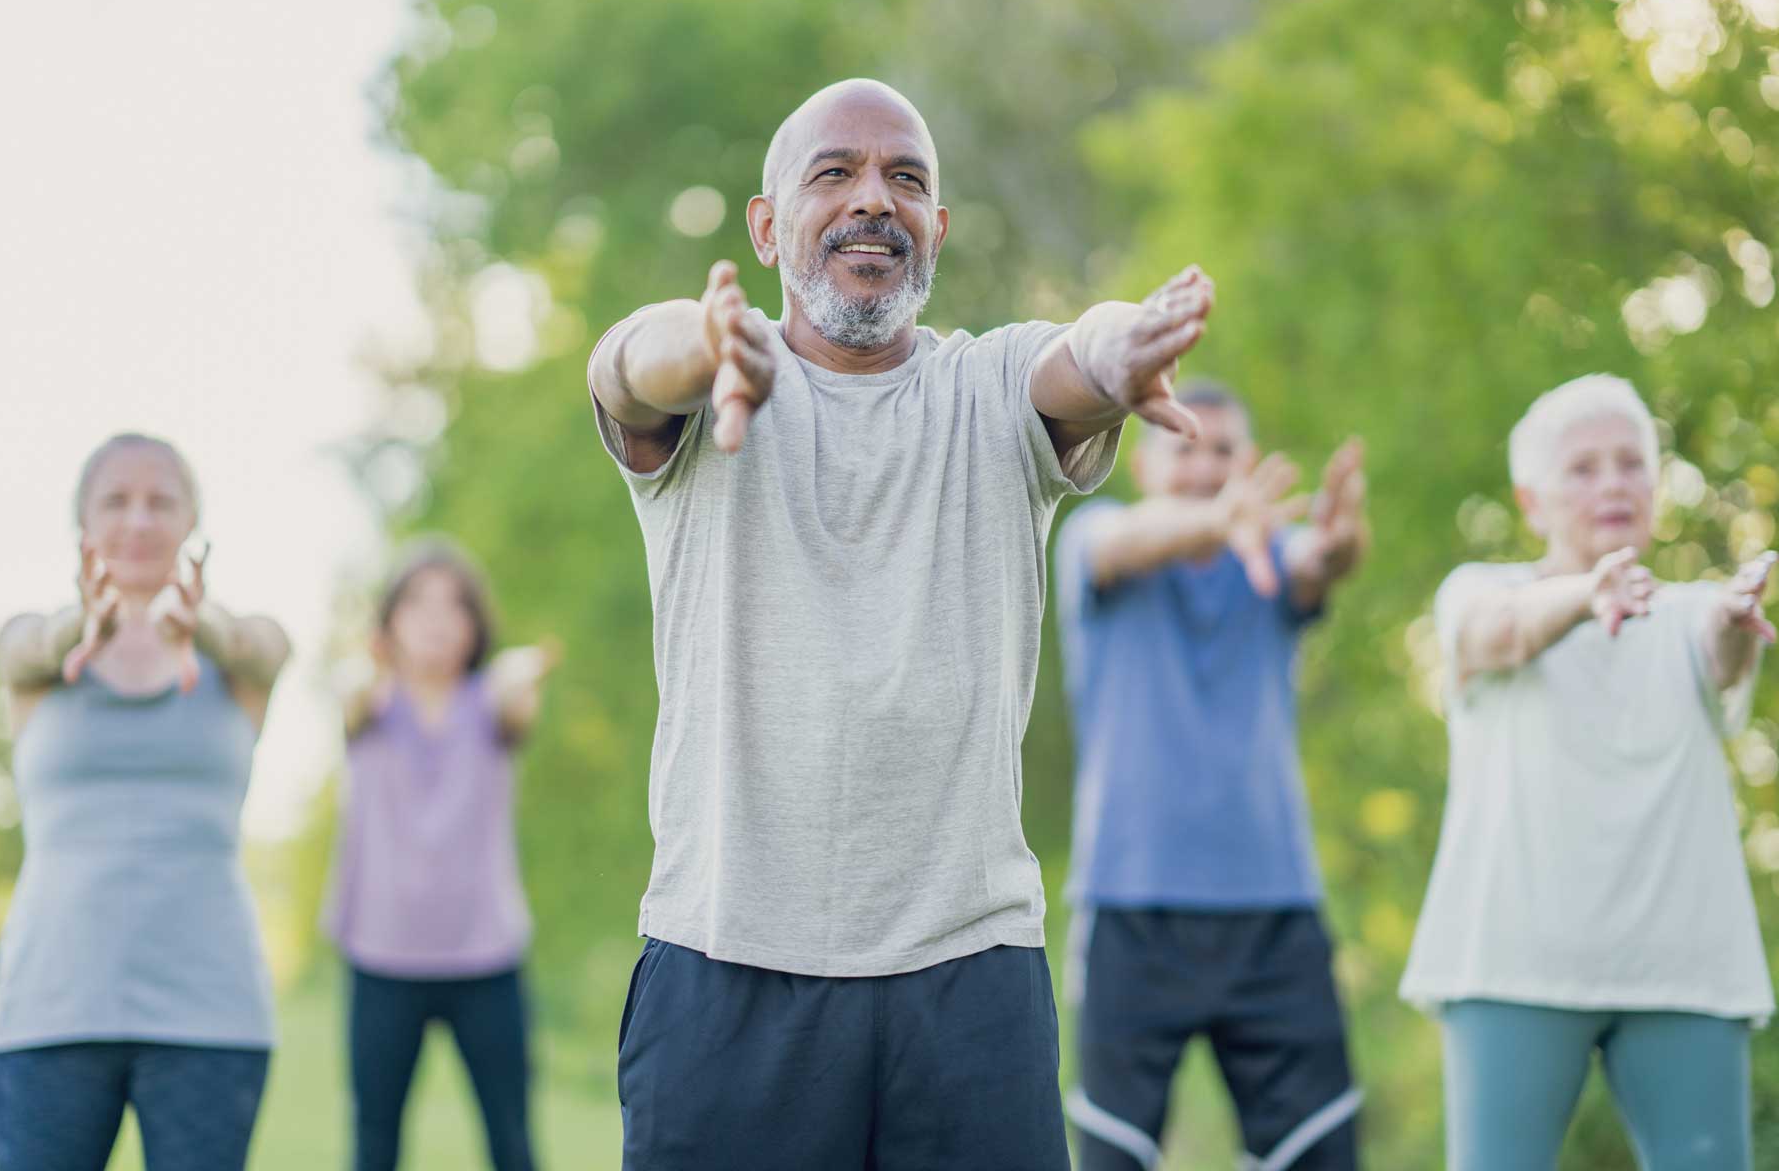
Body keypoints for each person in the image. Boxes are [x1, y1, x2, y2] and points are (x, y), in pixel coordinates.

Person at [589, 77, 1215, 1169]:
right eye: (835, 173)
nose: (874, 199)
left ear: (938, 228)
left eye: (907, 180)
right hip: (726, 970)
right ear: (769, 225)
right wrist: (705, 346)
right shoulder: (703, 388)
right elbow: (629, 369)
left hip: (967, 980)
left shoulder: (987, 385)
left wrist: (1123, 349)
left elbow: (1080, 351)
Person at [1400, 374, 1774, 1170]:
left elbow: (1723, 653)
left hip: (1685, 971)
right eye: (1583, 468)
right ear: (1531, 501)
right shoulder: (1478, 592)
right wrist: (1584, 597)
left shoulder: (1689, 612)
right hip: (1511, 965)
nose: (1613, 483)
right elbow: (1499, 636)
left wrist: (1739, 621)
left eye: (1630, 462)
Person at [1056, 382, 1369, 1171]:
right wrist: (1220, 523)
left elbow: (1319, 562)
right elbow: (1130, 544)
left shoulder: (1269, 556)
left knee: (1318, 1152)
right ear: (1144, 462)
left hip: (1274, 910)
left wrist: (1339, 542)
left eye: (1223, 450)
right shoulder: (1097, 537)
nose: (1204, 467)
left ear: (1250, 463)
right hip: (1132, 909)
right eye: (1183, 447)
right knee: (1112, 1155)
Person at [0, 432, 291, 1171]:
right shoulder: (35, 656)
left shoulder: (238, 656)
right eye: (116, 500)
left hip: (211, 1016)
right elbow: (26, 645)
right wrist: (79, 628)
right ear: (83, 526)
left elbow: (261, 647)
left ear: (192, 524)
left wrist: (198, 625)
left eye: (162, 501)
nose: (139, 519)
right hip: (49, 1013)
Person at [324, 539, 555, 1171]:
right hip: (381, 955)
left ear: (475, 625)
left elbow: (518, 707)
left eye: (454, 606)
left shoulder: (491, 703)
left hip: (484, 955)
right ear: (389, 622)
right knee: (374, 1145)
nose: (434, 620)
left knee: (513, 1143)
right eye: (417, 604)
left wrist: (519, 675)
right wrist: (369, 669)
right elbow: (349, 694)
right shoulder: (369, 701)